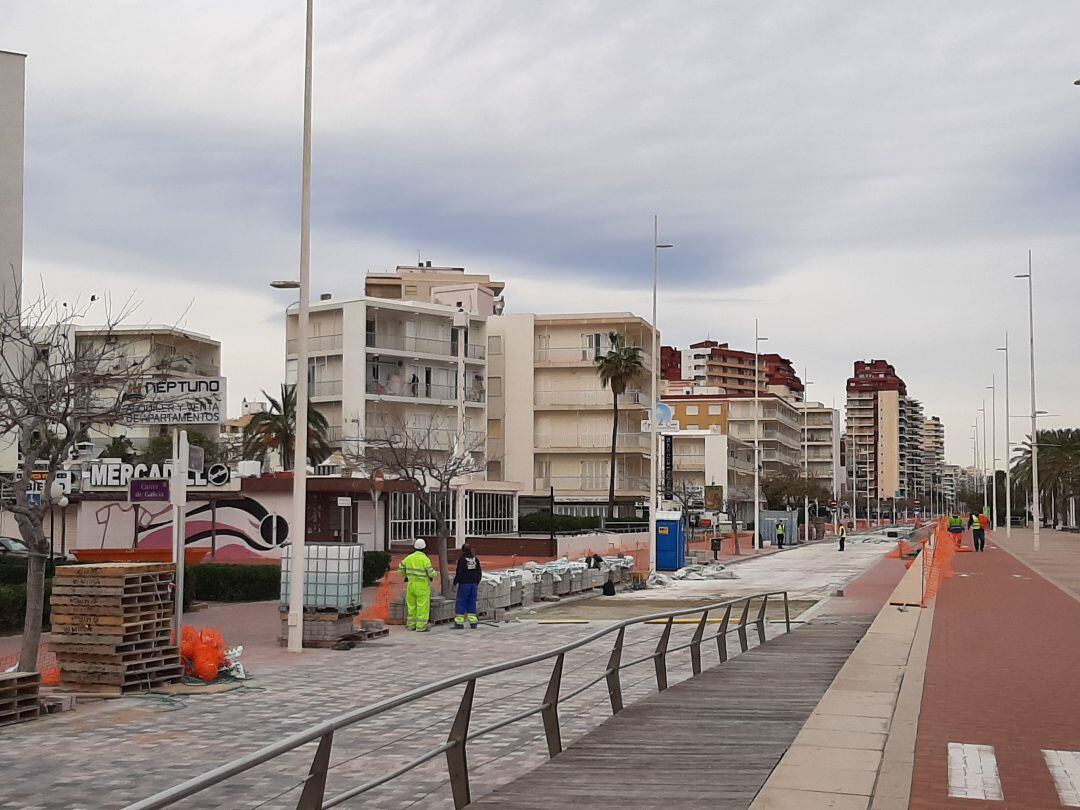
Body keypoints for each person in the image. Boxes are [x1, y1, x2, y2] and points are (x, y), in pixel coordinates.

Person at [398, 539, 436, 631]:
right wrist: (435, 574)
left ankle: (411, 625)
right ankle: (421, 626)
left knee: (411, 606)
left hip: (411, 585)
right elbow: (431, 573)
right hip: (422, 586)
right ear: (424, 548)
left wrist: (406, 575)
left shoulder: (409, 558)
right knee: (422, 606)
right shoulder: (425, 559)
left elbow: (401, 567)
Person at [452, 544, 482, 629]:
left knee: (461, 602)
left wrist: (455, 582)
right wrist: (476, 582)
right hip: (473, 584)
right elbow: (479, 572)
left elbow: (459, 573)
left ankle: (459, 622)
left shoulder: (462, 560)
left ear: (462, 550)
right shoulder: (475, 559)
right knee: (472, 602)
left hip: (464, 584)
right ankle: (473, 622)